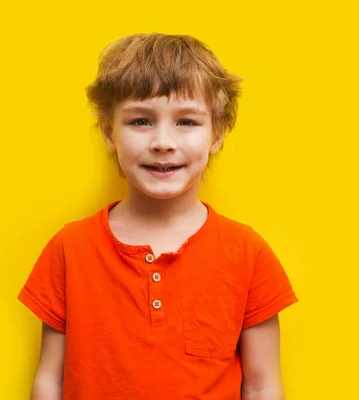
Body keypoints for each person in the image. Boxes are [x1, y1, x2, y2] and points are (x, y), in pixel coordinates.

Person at [18, 33, 298, 400]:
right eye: (140, 121)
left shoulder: (248, 252)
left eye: (186, 122)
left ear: (217, 134)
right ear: (108, 132)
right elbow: (49, 381)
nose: (163, 141)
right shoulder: (69, 248)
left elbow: (262, 385)